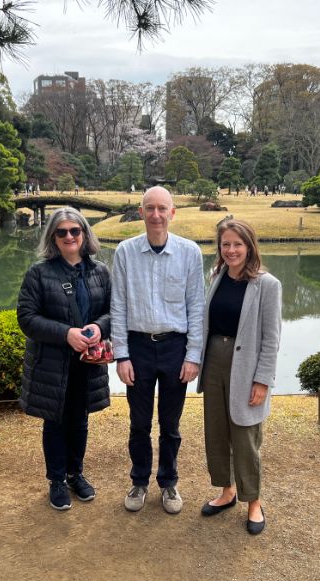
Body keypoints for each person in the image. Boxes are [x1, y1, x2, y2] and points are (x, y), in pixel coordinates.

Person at [111, 186, 204, 515]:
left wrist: (194, 356)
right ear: (141, 212)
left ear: (172, 212)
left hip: (175, 347)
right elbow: (118, 305)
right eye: (149, 208)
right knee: (139, 423)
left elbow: (196, 308)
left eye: (162, 208)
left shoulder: (189, 252)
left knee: (170, 423)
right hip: (137, 346)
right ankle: (139, 480)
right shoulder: (125, 252)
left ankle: (168, 482)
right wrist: (121, 355)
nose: (156, 214)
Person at [17, 206, 111, 511]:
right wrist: (65, 333)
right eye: (62, 232)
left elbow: (114, 312)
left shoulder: (100, 272)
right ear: (53, 237)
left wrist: (99, 326)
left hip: (87, 362)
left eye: (75, 230)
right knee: (55, 421)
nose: (69, 236)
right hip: (52, 363)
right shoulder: (39, 273)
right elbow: (27, 318)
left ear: (84, 234)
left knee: (80, 420)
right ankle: (56, 480)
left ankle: (75, 474)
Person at [197, 219, 281, 535]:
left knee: (246, 435)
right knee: (216, 431)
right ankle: (226, 491)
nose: (231, 250)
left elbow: (271, 338)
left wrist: (263, 380)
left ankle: (253, 501)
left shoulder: (267, 284)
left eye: (237, 244)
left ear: (249, 246)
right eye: (225, 244)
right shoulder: (216, 276)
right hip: (215, 360)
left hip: (246, 365)